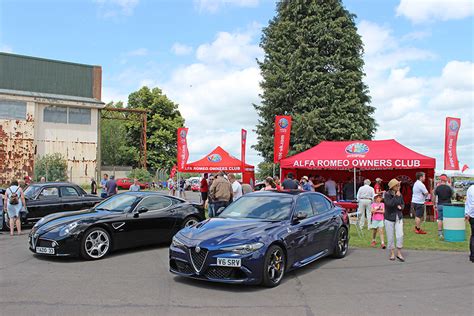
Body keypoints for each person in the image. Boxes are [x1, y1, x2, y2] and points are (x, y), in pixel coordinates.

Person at [384, 179, 405, 262]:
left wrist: (401, 207)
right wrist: (396, 196)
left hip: (398, 217)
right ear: (392, 187)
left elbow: (402, 203)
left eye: (398, 185)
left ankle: (399, 252)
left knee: (400, 234)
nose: (398, 187)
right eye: (397, 185)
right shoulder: (387, 194)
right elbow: (389, 204)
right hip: (389, 218)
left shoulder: (400, 194)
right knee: (390, 235)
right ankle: (392, 253)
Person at [434, 174, 453, 240]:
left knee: (440, 219)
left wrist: (434, 204)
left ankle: (440, 233)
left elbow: (434, 196)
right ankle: (448, 232)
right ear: (446, 180)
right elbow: (452, 195)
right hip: (448, 205)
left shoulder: (437, 187)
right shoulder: (449, 187)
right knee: (448, 219)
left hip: (440, 205)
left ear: (440, 180)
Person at [465, 185, 474, 263]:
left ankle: (472, 255)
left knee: (473, 235)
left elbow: (467, 202)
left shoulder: (470, 188)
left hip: (471, 215)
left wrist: (467, 213)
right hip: (472, 213)